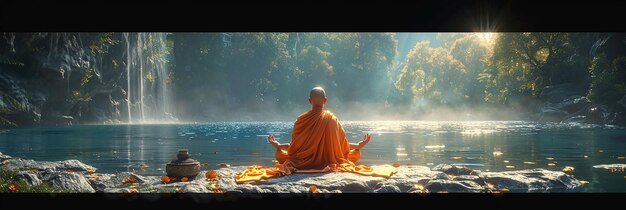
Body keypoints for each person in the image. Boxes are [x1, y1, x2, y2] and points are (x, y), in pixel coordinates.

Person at [234, 87, 396, 183]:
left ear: (309, 101)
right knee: (353, 156)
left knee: (282, 156)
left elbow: (294, 149)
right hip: (328, 160)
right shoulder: (331, 119)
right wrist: (360, 145)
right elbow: (342, 147)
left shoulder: (301, 120)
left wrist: (277, 145)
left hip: (302, 163)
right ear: (325, 101)